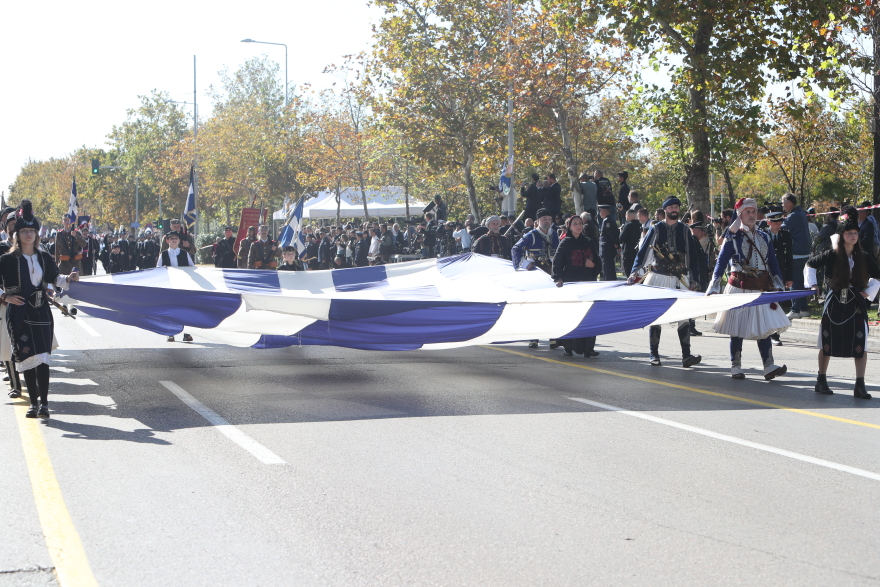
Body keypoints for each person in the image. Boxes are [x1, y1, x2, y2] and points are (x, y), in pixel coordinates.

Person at [0, 200, 80, 418]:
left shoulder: (44, 257)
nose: (28, 234)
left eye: (32, 231)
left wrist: (69, 278)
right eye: (24, 231)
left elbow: (55, 278)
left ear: (36, 234)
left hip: (41, 312)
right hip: (19, 314)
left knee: (43, 359)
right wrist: (5, 296)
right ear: (17, 235)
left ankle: (44, 404)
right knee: (27, 360)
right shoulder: (6, 259)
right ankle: (33, 405)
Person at [708, 198, 790, 380]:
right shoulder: (732, 237)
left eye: (754, 211)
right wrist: (714, 286)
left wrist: (778, 284)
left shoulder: (764, 236)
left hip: (760, 288)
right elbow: (721, 262)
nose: (752, 215)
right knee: (737, 329)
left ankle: (768, 365)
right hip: (739, 287)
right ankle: (735, 366)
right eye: (748, 212)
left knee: (764, 327)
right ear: (740, 215)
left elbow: (773, 263)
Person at [806, 217, 880, 399]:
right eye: (849, 233)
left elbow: (878, 275)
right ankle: (821, 380)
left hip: (856, 304)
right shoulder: (832, 254)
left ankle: (860, 385)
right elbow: (810, 264)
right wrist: (813, 285)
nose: (853, 236)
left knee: (860, 342)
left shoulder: (864, 256)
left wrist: (867, 292)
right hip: (834, 303)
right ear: (841, 235)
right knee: (826, 342)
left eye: (855, 233)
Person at [628, 196, 702, 368]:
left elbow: (693, 257)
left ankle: (686, 356)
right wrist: (634, 272)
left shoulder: (685, 230)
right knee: (657, 317)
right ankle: (654, 354)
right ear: (665, 210)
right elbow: (643, 252)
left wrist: (694, 280)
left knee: (683, 317)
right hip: (658, 277)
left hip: (680, 277)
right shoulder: (656, 229)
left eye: (676, 207)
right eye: (671, 207)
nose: (674, 209)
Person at [552, 215, 601, 357]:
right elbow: (557, 262)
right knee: (571, 315)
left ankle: (588, 347)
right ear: (570, 226)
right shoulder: (565, 243)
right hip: (571, 283)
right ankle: (568, 346)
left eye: (580, 223)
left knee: (589, 316)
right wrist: (558, 278)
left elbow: (598, 262)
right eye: (575, 224)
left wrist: (593, 265)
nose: (578, 226)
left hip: (588, 283)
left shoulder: (589, 242)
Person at [512, 209, 560, 348]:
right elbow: (516, 249)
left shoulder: (554, 234)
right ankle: (533, 338)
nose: (547, 221)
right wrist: (526, 264)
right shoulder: (531, 235)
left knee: (552, 306)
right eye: (544, 219)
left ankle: (553, 338)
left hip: (551, 273)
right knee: (535, 307)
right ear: (538, 221)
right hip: (536, 274)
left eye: (549, 219)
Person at [765, 211, 794, 345]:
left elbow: (789, 257)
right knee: (766, 304)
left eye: (779, 222)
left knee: (778, 304)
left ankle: (775, 334)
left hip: (780, 274)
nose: (778, 225)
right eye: (775, 223)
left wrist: (789, 277)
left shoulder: (785, 235)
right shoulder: (763, 235)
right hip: (765, 274)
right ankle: (766, 331)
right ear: (768, 222)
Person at [781, 193, 811, 318]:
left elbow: (780, 228)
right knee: (801, 283)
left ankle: (795, 310)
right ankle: (803, 308)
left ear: (789, 202)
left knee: (794, 282)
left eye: (783, 203)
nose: (782, 205)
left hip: (796, 254)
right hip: (804, 252)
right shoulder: (801, 213)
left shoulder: (793, 216)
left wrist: (775, 220)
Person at [597, 204, 620, 280]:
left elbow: (612, 234)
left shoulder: (607, 221)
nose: (599, 213)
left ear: (604, 211)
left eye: (600, 211)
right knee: (607, 270)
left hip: (607, 250)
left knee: (608, 271)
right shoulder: (608, 220)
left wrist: (616, 244)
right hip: (607, 250)